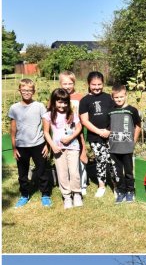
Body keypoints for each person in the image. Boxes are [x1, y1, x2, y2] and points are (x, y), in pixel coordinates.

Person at [9, 79, 51, 208]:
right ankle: (24, 195)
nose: (27, 92)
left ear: (33, 91)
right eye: (24, 90)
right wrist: (14, 148)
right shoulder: (14, 108)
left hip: (38, 144)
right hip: (21, 146)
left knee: (42, 171)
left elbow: (46, 128)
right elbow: (13, 130)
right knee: (22, 173)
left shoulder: (39, 106)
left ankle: (45, 195)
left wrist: (47, 145)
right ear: (19, 90)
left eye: (29, 90)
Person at [43, 88, 84, 209]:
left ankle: (76, 194)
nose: (63, 105)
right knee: (62, 173)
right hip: (58, 149)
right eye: (60, 102)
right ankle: (67, 196)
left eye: (65, 102)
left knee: (74, 172)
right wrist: (53, 146)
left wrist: (70, 138)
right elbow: (46, 132)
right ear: (54, 101)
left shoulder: (72, 114)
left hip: (73, 147)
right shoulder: (48, 115)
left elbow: (79, 128)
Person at [79, 71, 115, 198]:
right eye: (94, 84)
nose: (97, 87)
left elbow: (115, 116)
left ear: (103, 84)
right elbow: (84, 120)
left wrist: (109, 130)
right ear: (88, 84)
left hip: (111, 134)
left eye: (99, 84)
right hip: (95, 137)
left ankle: (116, 186)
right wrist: (100, 132)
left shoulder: (109, 98)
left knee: (113, 160)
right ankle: (101, 186)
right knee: (100, 160)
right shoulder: (84, 101)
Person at [108, 84, 142, 204]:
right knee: (117, 172)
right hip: (114, 148)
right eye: (116, 97)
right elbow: (108, 127)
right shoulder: (110, 111)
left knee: (128, 171)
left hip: (127, 147)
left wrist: (134, 140)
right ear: (112, 97)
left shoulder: (132, 110)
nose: (119, 99)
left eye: (121, 97)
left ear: (126, 95)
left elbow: (138, 125)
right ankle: (121, 191)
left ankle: (130, 191)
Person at [58, 70, 89, 196]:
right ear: (60, 84)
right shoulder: (57, 96)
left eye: (70, 83)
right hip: (62, 132)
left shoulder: (80, 97)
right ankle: (68, 185)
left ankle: (82, 184)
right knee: (66, 159)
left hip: (78, 131)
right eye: (64, 83)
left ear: (74, 83)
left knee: (81, 155)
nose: (67, 86)